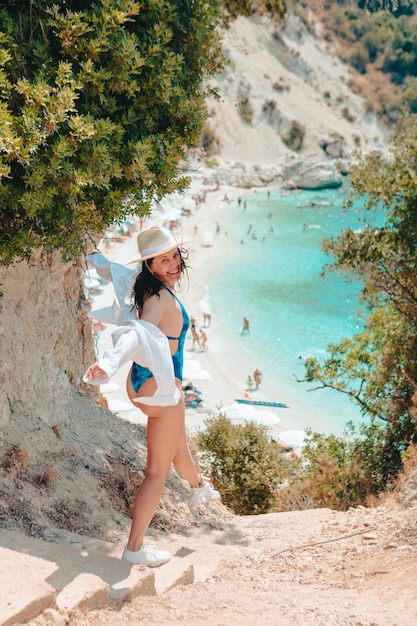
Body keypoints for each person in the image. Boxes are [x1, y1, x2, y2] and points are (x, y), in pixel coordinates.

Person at [83, 226, 220, 568]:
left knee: (179, 446)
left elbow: (113, 269)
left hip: (145, 384)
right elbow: (136, 333)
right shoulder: (157, 298)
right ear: (150, 266)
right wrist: (109, 362)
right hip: (157, 389)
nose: (173, 264)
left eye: (175, 256)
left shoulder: (146, 284)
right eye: (164, 260)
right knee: (157, 471)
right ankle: (135, 548)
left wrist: (91, 256)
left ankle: (198, 487)